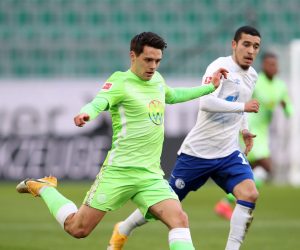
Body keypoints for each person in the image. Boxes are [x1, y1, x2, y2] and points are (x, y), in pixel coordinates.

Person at [16, 32, 227, 250]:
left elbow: (173, 95)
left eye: (157, 61)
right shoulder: (120, 81)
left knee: (179, 220)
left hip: (149, 175)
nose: (153, 66)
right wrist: (86, 113)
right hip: (119, 171)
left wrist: (209, 87)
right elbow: (99, 102)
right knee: (78, 229)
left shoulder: (157, 80)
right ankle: (44, 188)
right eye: (148, 60)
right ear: (133, 56)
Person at [107, 26, 261, 250]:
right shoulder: (221, 67)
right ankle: (124, 228)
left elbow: (240, 103)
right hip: (197, 153)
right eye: (246, 44)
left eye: (256, 46)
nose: (250, 50)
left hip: (228, 152)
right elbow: (206, 102)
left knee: (250, 193)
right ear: (234, 44)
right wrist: (243, 107)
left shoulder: (252, 75)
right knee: (160, 208)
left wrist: (244, 129)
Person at [215, 51, 294, 220]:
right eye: (270, 64)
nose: (273, 67)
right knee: (266, 167)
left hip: (263, 133)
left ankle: (226, 203)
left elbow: (289, 109)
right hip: (249, 130)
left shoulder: (280, 86)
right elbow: (241, 98)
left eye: (275, 64)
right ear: (264, 65)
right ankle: (229, 201)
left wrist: (286, 106)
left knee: (252, 172)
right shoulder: (256, 82)